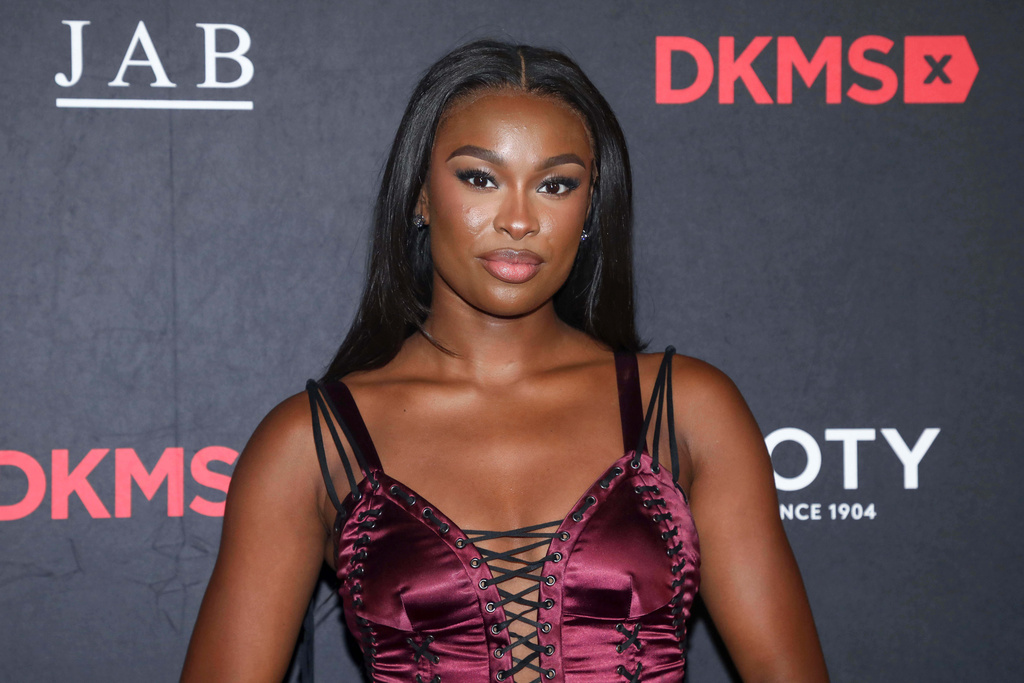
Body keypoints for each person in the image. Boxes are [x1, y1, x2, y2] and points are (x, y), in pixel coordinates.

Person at [181, 40, 829, 683]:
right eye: (480, 177)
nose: (519, 219)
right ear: (421, 196)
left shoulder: (686, 408)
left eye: (555, 184)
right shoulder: (310, 443)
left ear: (588, 210)